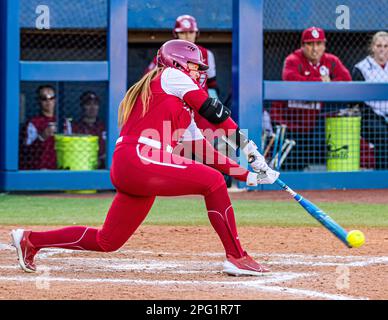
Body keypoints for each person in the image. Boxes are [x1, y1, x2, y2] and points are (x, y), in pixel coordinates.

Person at [11, 39, 279, 276]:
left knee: (108, 241)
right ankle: (236, 256)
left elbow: (204, 150)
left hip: (135, 166)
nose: (199, 73)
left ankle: (30, 240)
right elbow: (214, 112)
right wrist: (250, 150)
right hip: (140, 157)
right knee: (212, 181)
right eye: (196, 67)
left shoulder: (180, 104)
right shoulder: (169, 75)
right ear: (179, 63)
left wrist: (250, 175)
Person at [270, 27, 352, 170]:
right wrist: (320, 81)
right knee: (290, 167)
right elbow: (290, 79)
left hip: (315, 123)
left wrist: (329, 83)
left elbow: (346, 79)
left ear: (324, 45)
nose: (315, 49)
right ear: (302, 46)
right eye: (310, 44)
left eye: (319, 44)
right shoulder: (293, 59)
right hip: (291, 122)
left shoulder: (331, 61)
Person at [145, 14, 218, 96]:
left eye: (191, 32)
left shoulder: (206, 54)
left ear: (196, 33)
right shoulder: (165, 53)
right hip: (174, 101)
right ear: (176, 34)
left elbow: (212, 84)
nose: (187, 36)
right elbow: (148, 80)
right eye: (182, 32)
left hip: (200, 100)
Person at [352, 31, 388, 169]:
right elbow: (356, 101)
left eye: (386, 46)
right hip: (369, 116)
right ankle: (382, 177)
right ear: (372, 47)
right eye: (379, 45)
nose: (382, 50)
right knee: (383, 136)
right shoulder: (361, 68)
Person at [19, 85, 57, 170]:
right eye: (44, 98)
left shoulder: (64, 122)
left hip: (61, 170)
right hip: (40, 170)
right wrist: (42, 137)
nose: (48, 101)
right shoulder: (33, 123)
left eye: (51, 98)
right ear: (38, 101)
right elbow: (26, 152)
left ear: (55, 100)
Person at [72, 91, 107, 169]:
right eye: (88, 104)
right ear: (82, 106)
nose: (92, 107)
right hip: (82, 166)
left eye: (95, 104)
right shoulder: (76, 127)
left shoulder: (104, 127)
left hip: (103, 167)